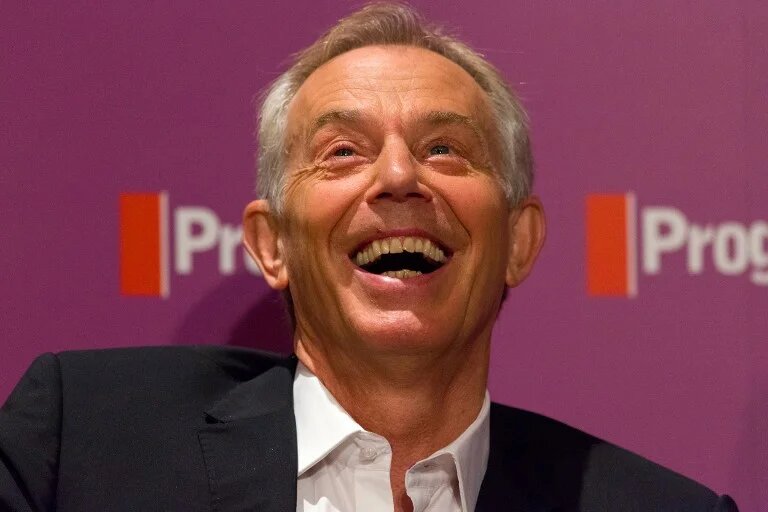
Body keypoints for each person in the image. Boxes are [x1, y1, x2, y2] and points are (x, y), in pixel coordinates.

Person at [0, 3, 738, 512]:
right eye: (343, 152)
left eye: (444, 148)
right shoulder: (81, 441)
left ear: (518, 242)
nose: (398, 176)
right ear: (273, 245)